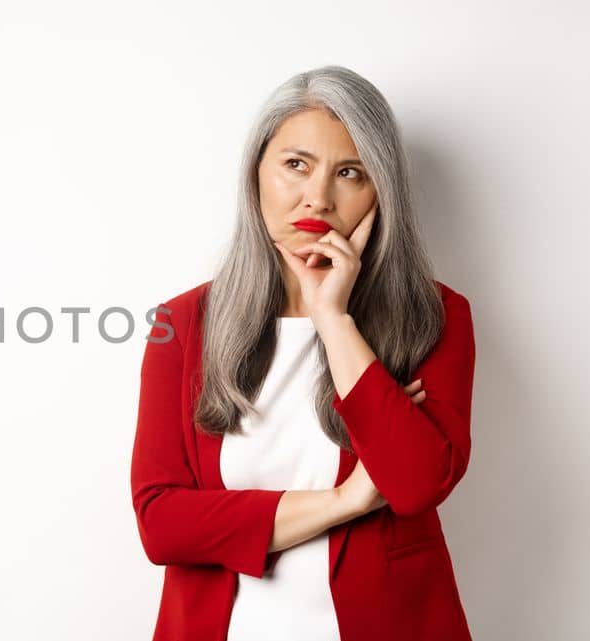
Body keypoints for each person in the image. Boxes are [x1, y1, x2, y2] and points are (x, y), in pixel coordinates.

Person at [129, 65, 477, 641]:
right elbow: (162, 526)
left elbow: (416, 484)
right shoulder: (184, 323)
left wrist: (333, 320)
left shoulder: (434, 316)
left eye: (350, 172)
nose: (319, 196)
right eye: (296, 165)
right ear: (256, 173)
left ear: (380, 191)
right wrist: (350, 498)